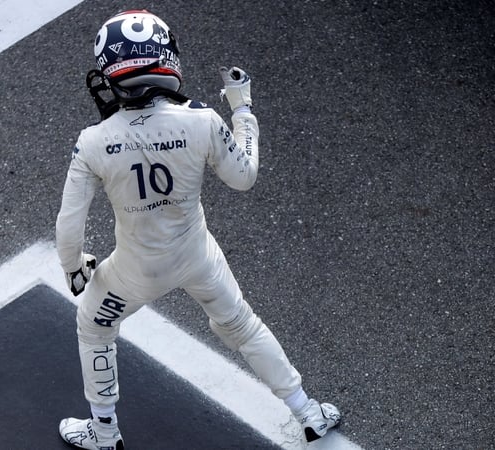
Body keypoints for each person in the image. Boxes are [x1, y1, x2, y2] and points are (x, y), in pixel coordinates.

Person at [55, 10, 341, 450]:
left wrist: (75, 268)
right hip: (197, 257)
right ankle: (307, 412)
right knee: (241, 325)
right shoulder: (202, 120)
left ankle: (106, 432)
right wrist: (242, 107)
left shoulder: (93, 141)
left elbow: (69, 227)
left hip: (135, 271)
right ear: (167, 60)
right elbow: (243, 175)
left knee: (94, 328)